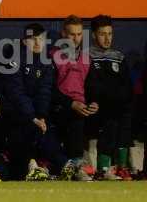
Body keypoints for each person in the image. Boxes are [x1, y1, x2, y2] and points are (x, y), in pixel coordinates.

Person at [0, 23, 70, 180]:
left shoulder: (46, 62)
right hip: (13, 111)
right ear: (24, 41)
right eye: (33, 39)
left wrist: (42, 116)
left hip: (35, 114)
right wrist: (33, 117)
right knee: (28, 126)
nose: (37, 43)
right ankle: (32, 166)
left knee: (46, 128)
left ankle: (62, 166)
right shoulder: (15, 59)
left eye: (41, 39)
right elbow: (16, 93)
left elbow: (45, 92)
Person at [50, 15, 98, 181]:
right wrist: (70, 103)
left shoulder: (86, 59)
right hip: (59, 107)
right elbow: (49, 90)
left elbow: (91, 89)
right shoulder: (52, 56)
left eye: (79, 34)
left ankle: (83, 166)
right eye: (72, 34)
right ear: (63, 33)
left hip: (81, 109)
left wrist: (94, 103)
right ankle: (72, 167)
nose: (76, 38)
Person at [85, 15, 133, 180]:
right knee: (110, 120)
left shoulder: (119, 56)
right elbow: (92, 86)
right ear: (93, 35)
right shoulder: (87, 56)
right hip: (98, 107)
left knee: (127, 115)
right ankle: (104, 169)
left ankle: (123, 167)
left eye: (110, 34)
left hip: (118, 106)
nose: (107, 38)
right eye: (102, 34)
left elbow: (127, 86)